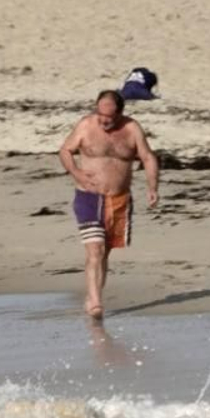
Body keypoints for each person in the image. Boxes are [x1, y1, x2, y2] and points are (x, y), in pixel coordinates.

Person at [57, 89, 161, 319]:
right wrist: (76, 172)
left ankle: (93, 296)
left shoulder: (132, 129)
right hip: (89, 196)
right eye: (100, 114)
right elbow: (65, 150)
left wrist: (152, 187)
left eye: (109, 117)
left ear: (120, 113)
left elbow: (147, 157)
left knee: (105, 253)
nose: (103, 121)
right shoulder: (86, 125)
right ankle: (95, 302)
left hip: (119, 199)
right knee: (96, 249)